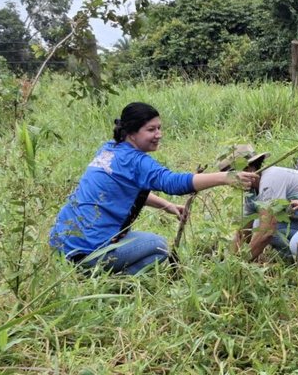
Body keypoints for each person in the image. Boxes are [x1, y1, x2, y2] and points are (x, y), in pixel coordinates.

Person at [50, 102, 257, 274]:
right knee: (159, 245)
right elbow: (173, 182)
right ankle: (103, 277)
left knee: (152, 252)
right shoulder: (137, 161)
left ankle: (92, 272)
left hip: (61, 244)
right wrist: (225, 177)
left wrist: (167, 206)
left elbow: (123, 189)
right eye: (151, 130)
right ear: (131, 132)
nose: (159, 134)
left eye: (159, 128)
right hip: (90, 251)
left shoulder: (108, 149)